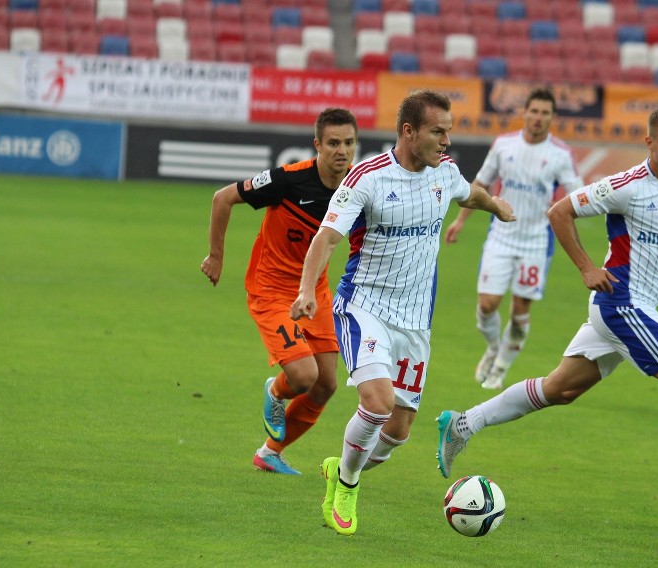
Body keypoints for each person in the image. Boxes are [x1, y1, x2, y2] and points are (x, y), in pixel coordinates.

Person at [436, 104, 658, 520]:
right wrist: (586, 267)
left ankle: (462, 423)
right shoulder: (627, 185)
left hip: (632, 307)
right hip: (622, 304)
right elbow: (559, 211)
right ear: (650, 141)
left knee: (558, 390)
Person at [290, 90, 515, 535]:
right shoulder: (367, 178)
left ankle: (343, 465)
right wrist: (306, 291)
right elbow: (327, 238)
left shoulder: (444, 173)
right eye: (438, 131)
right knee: (377, 404)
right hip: (363, 306)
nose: (447, 140)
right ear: (409, 132)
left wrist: (497, 206)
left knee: (396, 432)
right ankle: (347, 486)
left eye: (449, 130)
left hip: (415, 321)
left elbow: (470, 194)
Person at [200, 108, 358, 475]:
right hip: (271, 289)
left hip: (314, 291)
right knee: (303, 377)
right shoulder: (287, 180)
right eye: (333, 143)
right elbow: (222, 198)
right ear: (317, 145)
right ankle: (275, 391)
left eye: (349, 143)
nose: (342, 151)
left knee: (327, 384)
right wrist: (216, 256)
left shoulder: (356, 188)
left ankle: (270, 453)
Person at [444, 88, 584, 390]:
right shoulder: (504, 145)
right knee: (487, 305)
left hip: (535, 241)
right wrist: (460, 220)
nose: (538, 117)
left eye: (545, 112)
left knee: (520, 312)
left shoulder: (561, 155)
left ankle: (502, 366)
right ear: (525, 112)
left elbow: (577, 196)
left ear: (552, 117)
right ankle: (494, 348)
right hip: (501, 236)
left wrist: (569, 210)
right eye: (534, 111)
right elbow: (480, 183)